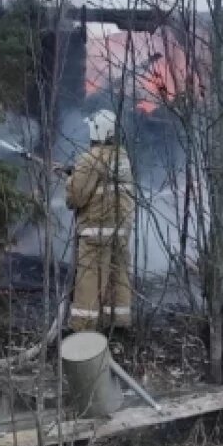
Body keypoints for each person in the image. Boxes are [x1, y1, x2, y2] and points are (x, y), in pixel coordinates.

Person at [65, 109, 136, 333]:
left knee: (89, 280)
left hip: (96, 232)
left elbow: (76, 198)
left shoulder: (91, 159)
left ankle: (83, 330)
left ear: (98, 131)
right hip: (120, 231)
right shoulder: (122, 158)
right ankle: (118, 326)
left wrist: (70, 180)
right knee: (118, 277)